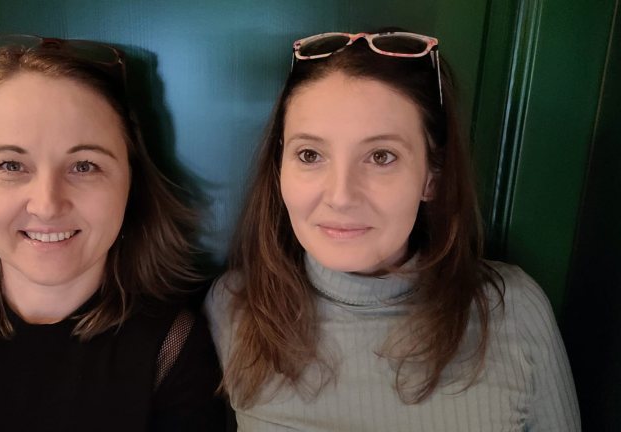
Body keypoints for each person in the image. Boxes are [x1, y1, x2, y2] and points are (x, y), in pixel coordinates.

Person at [205, 30, 580, 431]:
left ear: (432, 177)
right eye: (310, 154)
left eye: (381, 156)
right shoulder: (235, 309)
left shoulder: (513, 311)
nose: (341, 196)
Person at [0, 36, 226, 431]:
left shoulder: (173, 351)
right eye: (10, 165)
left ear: (130, 181)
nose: (47, 206)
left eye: (84, 166)